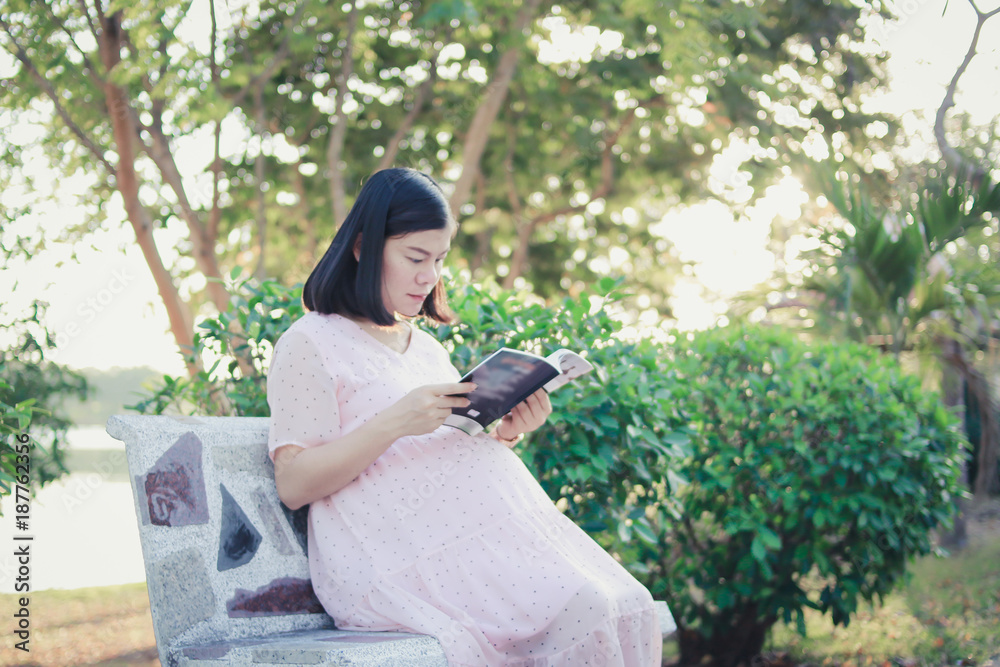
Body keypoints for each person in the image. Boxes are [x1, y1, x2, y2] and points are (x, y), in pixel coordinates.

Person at [266, 167, 662, 667]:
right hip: (394, 556)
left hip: (478, 540)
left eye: (438, 260)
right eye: (415, 257)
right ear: (364, 248)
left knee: (626, 604)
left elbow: (448, 452)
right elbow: (294, 482)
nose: (429, 276)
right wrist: (395, 420)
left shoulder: (425, 348)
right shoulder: (310, 343)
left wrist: (507, 433)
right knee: (584, 608)